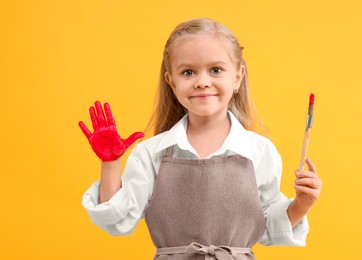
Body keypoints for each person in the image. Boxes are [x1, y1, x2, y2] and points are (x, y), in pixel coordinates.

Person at [79, 18, 322, 259]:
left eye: (216, 70)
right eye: (188, 72)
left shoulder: (259, 151)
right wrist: (110, 165)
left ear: (237, 77)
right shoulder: (151, 153)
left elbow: (268, 228)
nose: (202, 82)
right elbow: (118, 221)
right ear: (171, 81)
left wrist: (302, 204)